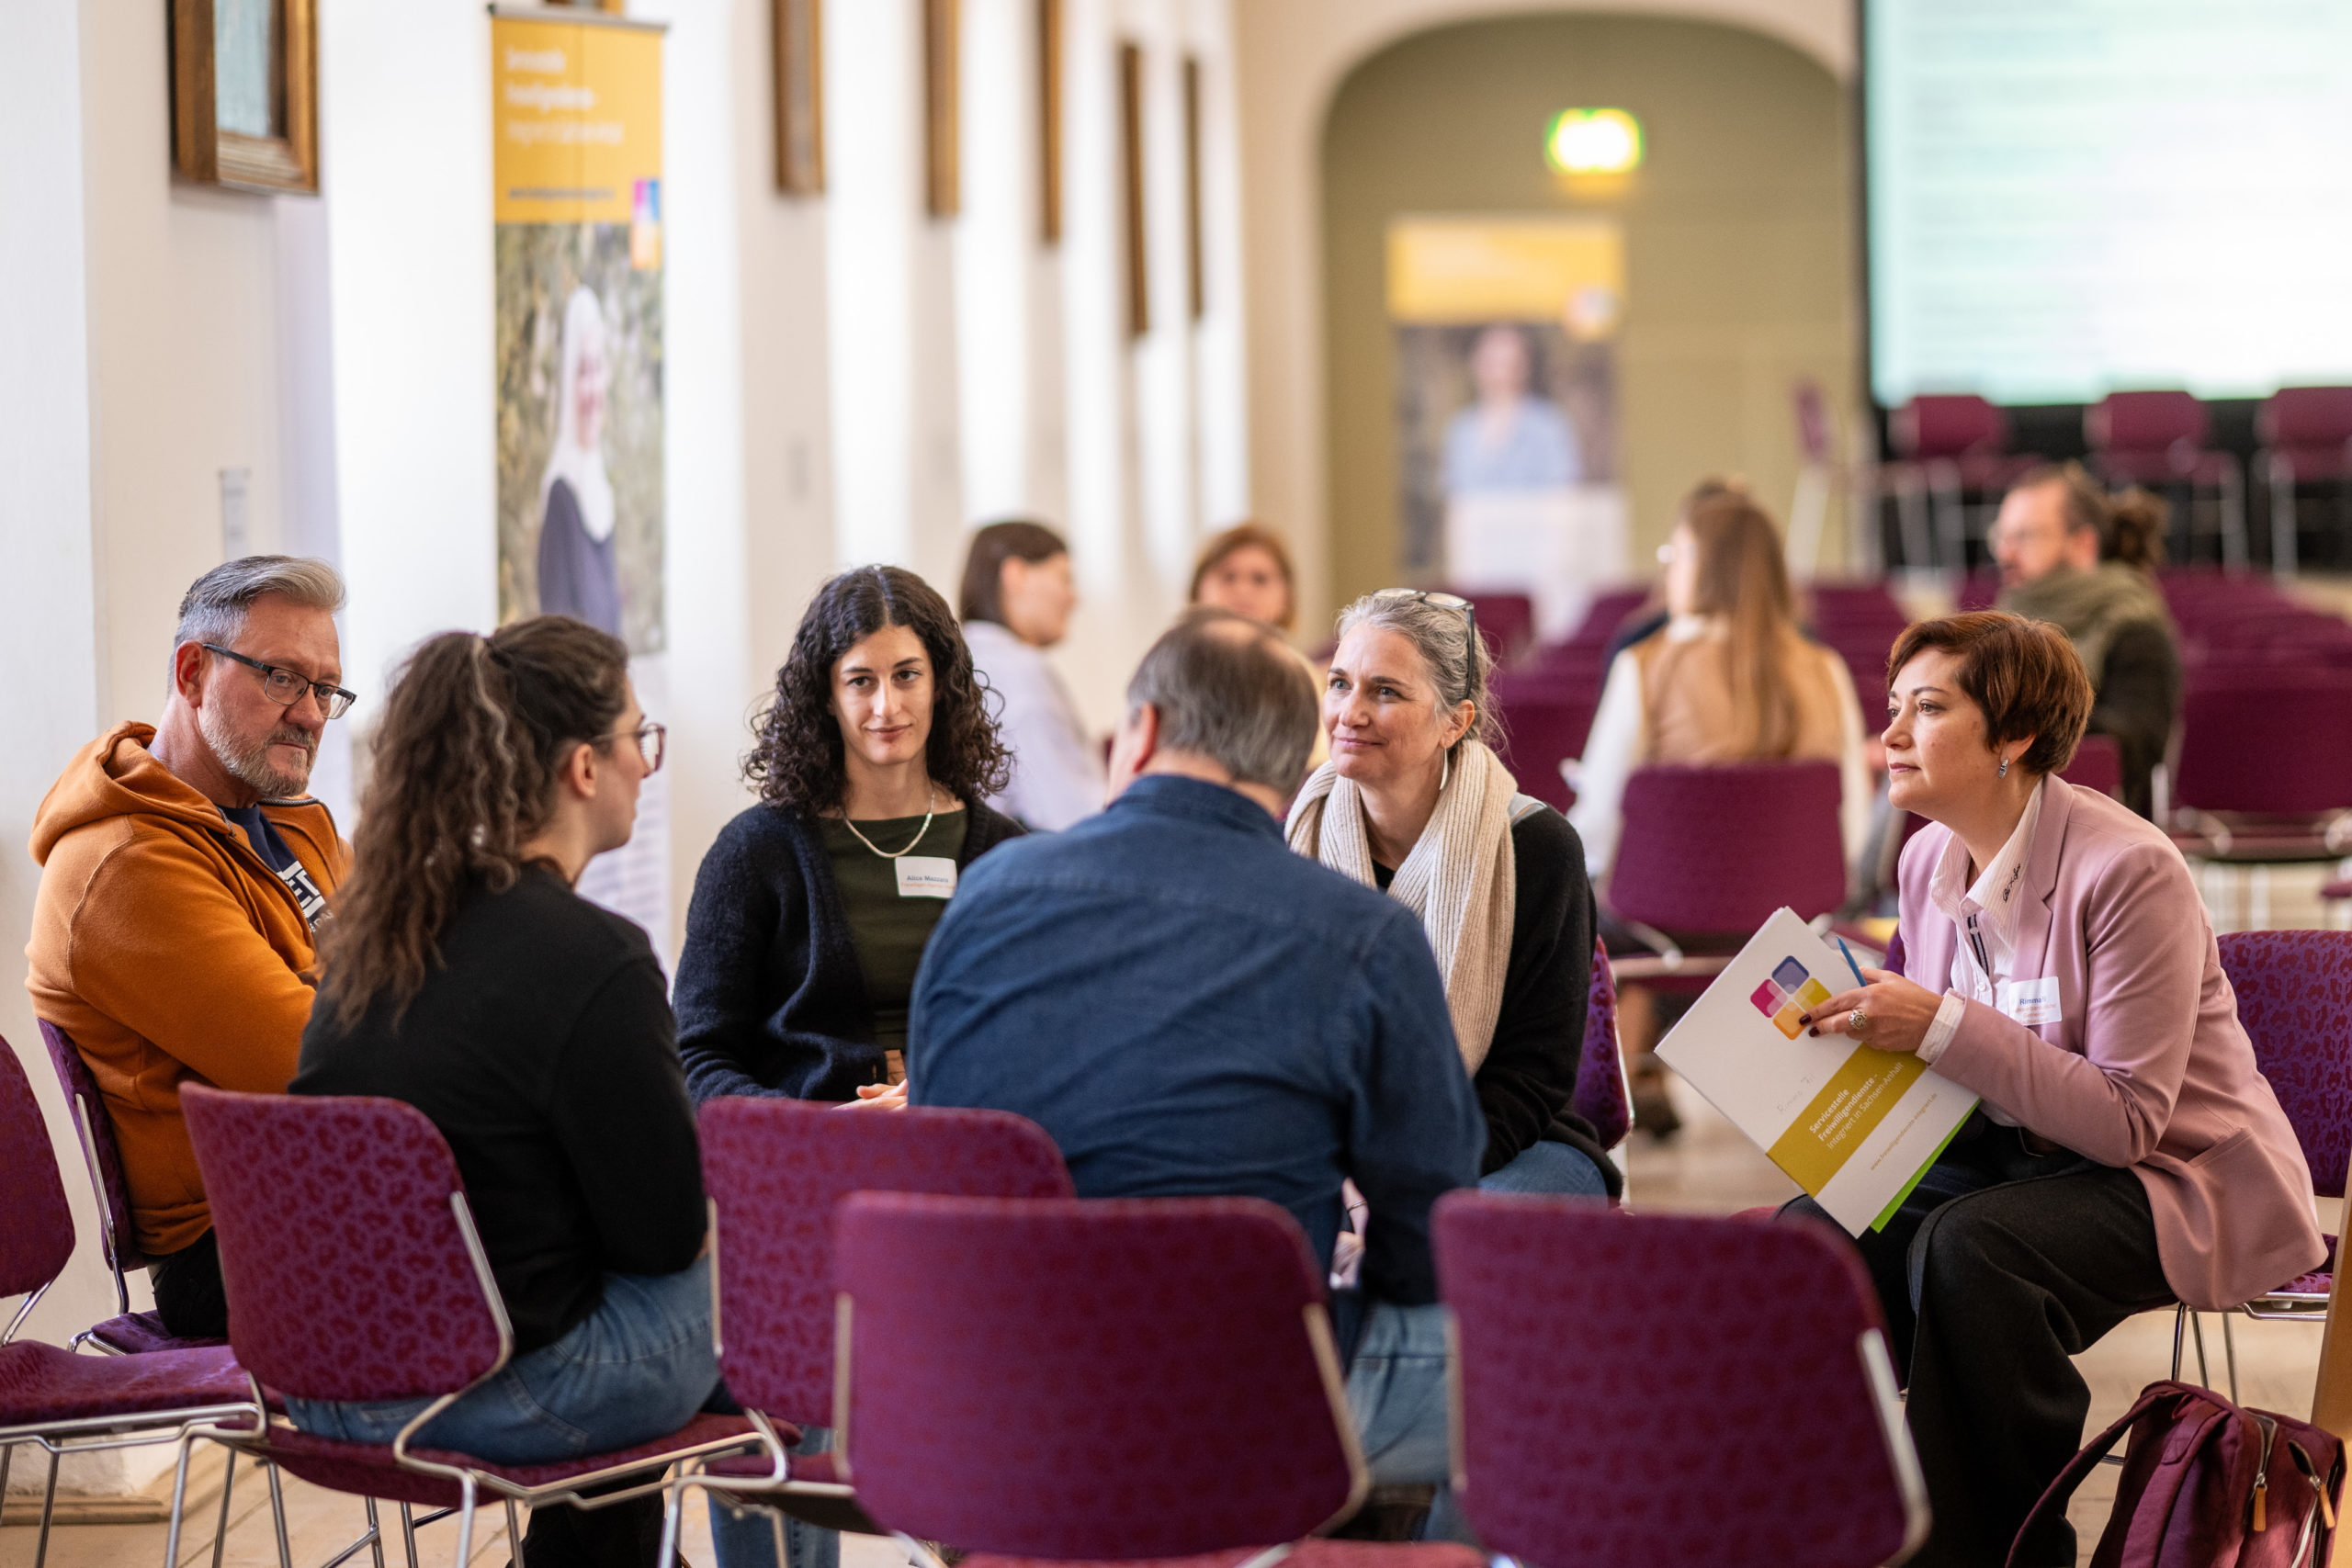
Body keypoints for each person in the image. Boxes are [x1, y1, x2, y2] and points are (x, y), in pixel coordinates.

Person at [911, 610, 1484, 1521]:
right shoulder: (1363, 937)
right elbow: (1430, 1234)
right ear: (1297, 763)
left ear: (1138, 733)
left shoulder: (985, 895)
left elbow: (938, 1154)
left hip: (993, 1399)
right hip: (1236, 1414)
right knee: (1529, 1356)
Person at [1789, 611, 2322, 1568]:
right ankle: (1843, 1526)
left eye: (1928, 708)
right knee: (1811, 1232)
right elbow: (1925, 1057)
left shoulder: (2128, 870)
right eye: (1891, 708)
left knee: (1970, 1252)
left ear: (2016, 737)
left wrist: (1938, 1026)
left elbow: (2125, 1121)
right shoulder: (1922, 858)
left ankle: (1998, 1551)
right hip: (2011, 1151)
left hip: (2176, 1177)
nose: (1891, 735)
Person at [289, 616, 709, 1567]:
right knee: (763, 1266)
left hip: (326, 1378)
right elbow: (665, 1236)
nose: (648, 764)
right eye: (637, 738)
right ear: (583, 768)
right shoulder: (597, 959)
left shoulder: (371, 941)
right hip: (496, 1388)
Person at [27, 556, 354, 1340]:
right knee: (556, 1232)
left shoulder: (291, 820)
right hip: (238, 1244)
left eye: (325, 689)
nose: (309, 713)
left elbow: (404, 989)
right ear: (192, 672)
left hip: (342, 1183)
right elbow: (318, 1059)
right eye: (281, 677)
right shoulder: (123, 862)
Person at [1287, 590, 1615, 1199]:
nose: (1349, 712)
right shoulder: (1295, 836)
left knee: (1461, 1234)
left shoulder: (1538, 846)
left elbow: (1530, 1080)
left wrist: (1403, 1180)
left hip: (1506, 1140)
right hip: (1330, 1144)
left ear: (1455, 722)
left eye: (1385, 691)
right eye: (1339, 683)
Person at [674, 565, 1022, 1106]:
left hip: (966, 1138)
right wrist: (817, 1130)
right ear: (827, 697)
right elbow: (697, 1054)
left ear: (940, 685)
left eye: (907, 675)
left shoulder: (1003, 850)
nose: (888, 706)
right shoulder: (755, 852)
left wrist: (937, 1099)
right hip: (807, 1158)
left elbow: (1037, 1031)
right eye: (861, 681)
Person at [1572, 488, 1871, 879]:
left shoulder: (1643, 666)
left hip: (1665, 918)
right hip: (1800, 921)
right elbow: (1853, 832)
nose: (1668, 571)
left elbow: (1596, 832)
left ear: (1698, 563)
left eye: (1673, 555)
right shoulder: (1826, 669)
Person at [1991, 462, 2181, 818]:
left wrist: (2007, 728)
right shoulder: (1996, 633)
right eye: (2001, 538)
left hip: (2103, 840)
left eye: (2025, 537)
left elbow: (2127, 751)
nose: (2005, 555)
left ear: (2083, 544)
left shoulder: (2136, 629)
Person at [957, 519, 1102, 830]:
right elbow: (1068, 811)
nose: (1073, 597)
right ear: (1016, 575)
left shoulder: (963, 658)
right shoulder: (1017, 670)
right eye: (1064, 578)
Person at [1189, 521, 1329, 768]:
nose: (1243, 590)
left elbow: (1312, 763)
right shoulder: (1176, 665)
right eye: (1228, 577)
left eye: (1260, 579)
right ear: (1198, 589)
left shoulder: (1298, 673)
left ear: (1286, 597)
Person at [537, 286, 624, 639]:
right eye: (582, 371)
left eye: (597, 368)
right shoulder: (562, 494)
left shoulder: (600, 489)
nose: (592, 390)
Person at [1442, 324, 1580, 495]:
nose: (1500, 374)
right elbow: (1455, 500)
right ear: (1476, 366)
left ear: (1524, 368)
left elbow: (1564, 493)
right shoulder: (1461, 429)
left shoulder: (1549, 426)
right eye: (1491, 363)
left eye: (1509, 364)